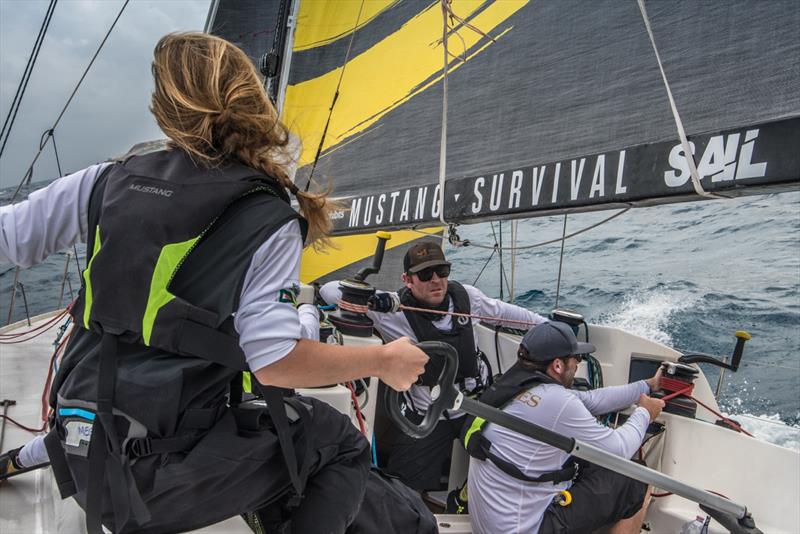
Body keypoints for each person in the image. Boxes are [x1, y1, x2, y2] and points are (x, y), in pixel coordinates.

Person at [0, 32, 428, 534]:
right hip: (151, 489)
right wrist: (383, 361)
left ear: (164, 108)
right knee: (335, 441)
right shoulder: (267, 216)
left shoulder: (104, 181)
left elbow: (9, 238)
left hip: (84, 455)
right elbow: (274, 363)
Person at [0, 302, 324, 481]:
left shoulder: (122, 312)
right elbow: (298, 343)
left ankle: (12, 462)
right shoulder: (233, 314)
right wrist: (308, 308)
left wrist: (16, 460)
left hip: (107, 449)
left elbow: (75, 433)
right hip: (209, 439)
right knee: (332, 439)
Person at [320, 240, 548, 493]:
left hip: (474, 406)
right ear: (408, 279)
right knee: (402, 487)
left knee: (512, 460)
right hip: (428, 417)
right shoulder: (393, 310)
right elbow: (329, 291)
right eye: (426, 274)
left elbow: (508, 315)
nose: (436, 280)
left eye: (442, 271)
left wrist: (550, 328)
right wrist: (374, 300)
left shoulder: (468, 298)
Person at [466, 321, 664, 534]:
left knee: (588, 465)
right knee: (637, 477)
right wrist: (645, 413)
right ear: (558, 365)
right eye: (575, 358)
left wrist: (647, 385)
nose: (578, 363)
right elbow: (619, 450)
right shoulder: (556, 401)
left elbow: (591, 400)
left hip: (491, 523)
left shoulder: (517, 383)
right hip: (524, 529)